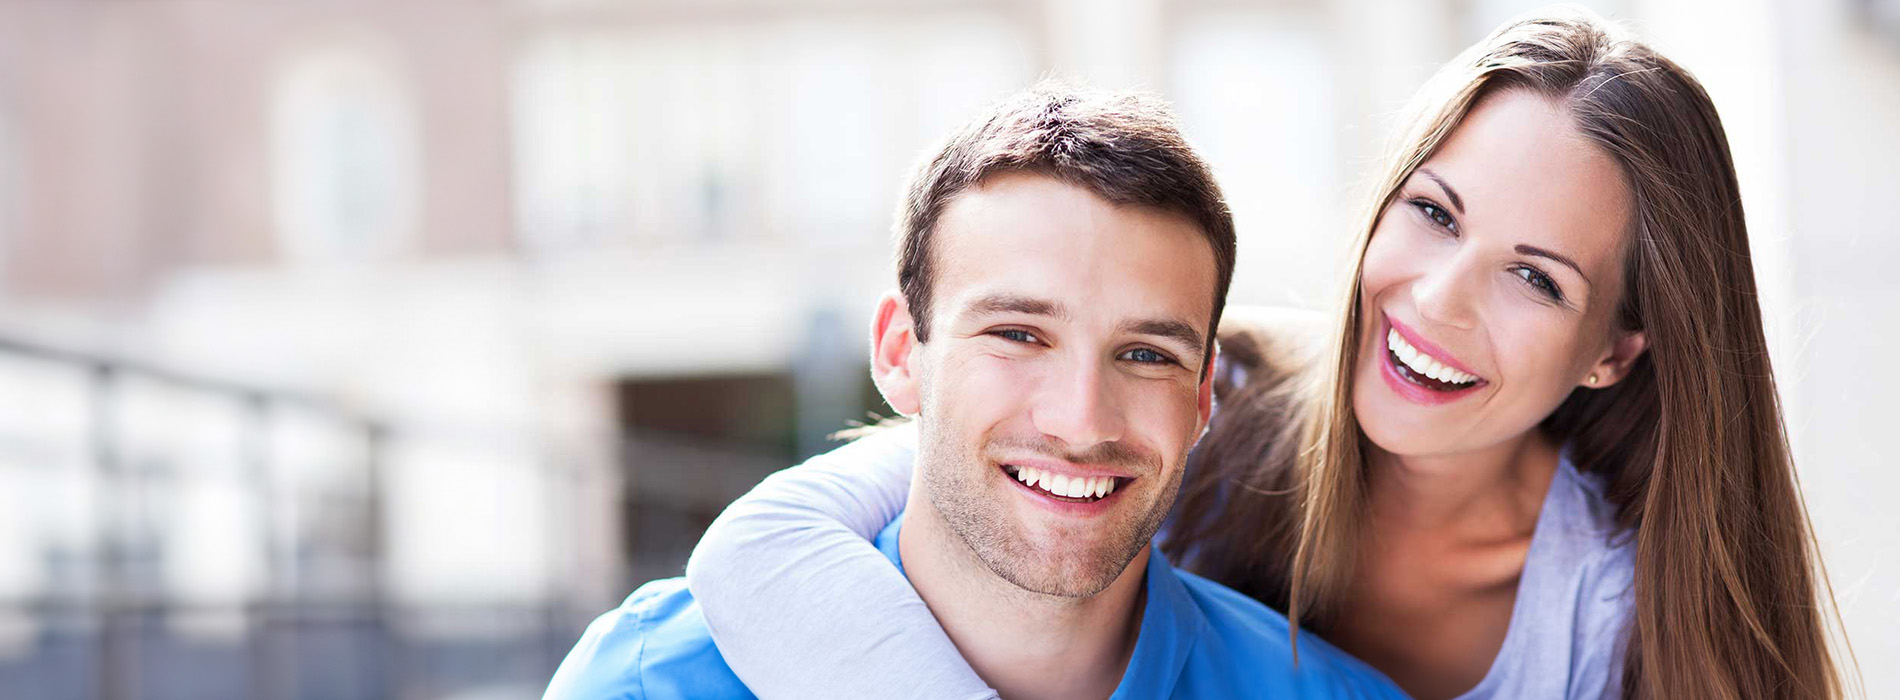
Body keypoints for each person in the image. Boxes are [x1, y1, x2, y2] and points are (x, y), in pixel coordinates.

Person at [684, 9, 1851, 700]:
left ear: (1615, 348)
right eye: (1434, 213)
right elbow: (766, 545)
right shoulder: (1190, 389)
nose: (1434, 299)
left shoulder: (1615, 614)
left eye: (1534, 277)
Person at [544, 83, 1409, 700]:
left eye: (1145, 355)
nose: (1081, 420)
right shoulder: (649, 683)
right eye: (1018, 335)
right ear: (899, 353)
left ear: (1201, 400)